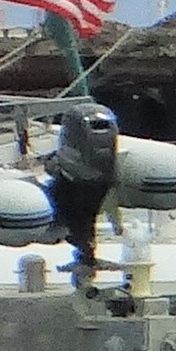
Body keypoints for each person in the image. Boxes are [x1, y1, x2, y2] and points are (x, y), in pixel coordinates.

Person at [45, 101, 123, 289]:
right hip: (97, 185)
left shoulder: (65, 176)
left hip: (77, 186)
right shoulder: (105, 171)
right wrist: (116, 224)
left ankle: (85, 252)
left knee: (77, 215)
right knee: (85, 217)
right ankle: (86, 253)